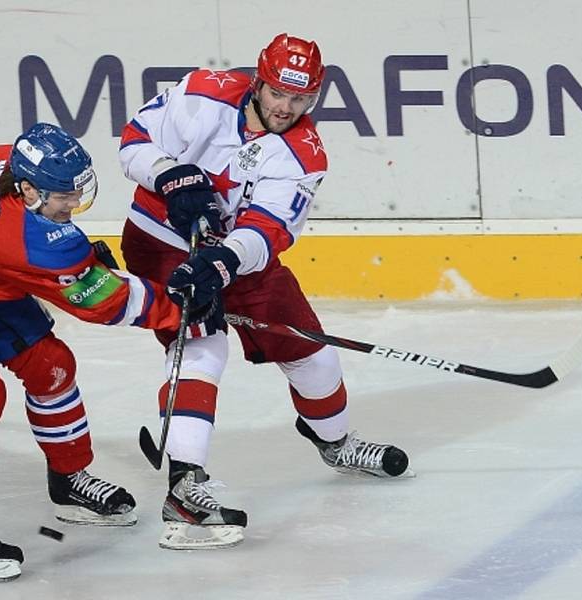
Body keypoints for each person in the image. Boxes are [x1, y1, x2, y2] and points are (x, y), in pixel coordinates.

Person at [0, 123, 219, 582]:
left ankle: (68, 481)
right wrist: (185, 308)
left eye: (76, 190)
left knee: (52, 366)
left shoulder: (0, 159)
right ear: (27, 189)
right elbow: (105, 303)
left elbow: (25, 245)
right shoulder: (34, 244)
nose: (74, 203)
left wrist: (79, 259)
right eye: (63, 195)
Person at [119, 33, 411, 550]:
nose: (286, 107)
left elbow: (267, 230)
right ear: (259, 79)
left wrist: (224, 260)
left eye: (300, 99)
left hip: (239, 258)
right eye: (278, 93)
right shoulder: (202, 92)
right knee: (204, 345)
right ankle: (185, 486)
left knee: (312, 355)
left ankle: (335, 443)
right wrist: (171, 176)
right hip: (162, 242)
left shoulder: (304, 154)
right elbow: (135, 140)